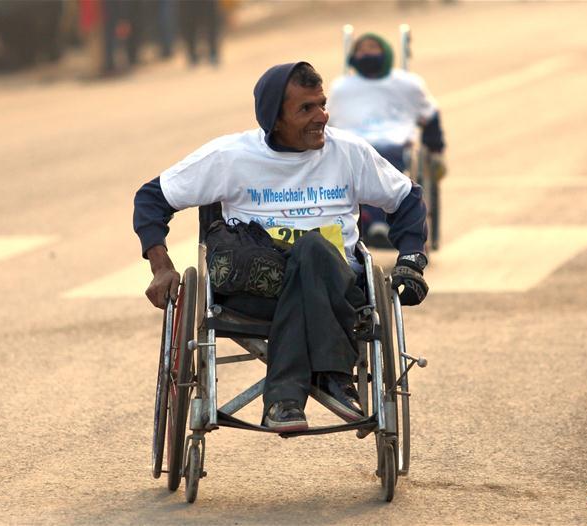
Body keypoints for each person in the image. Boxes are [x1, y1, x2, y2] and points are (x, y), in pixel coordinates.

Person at [133, 62, 430, 432]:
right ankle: (333, 375)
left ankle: (285, 400)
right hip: (256, 290)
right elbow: (151, 199)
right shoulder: (231, 156)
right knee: (311, 250)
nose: (321, 116)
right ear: (274, 120)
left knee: (314, 251)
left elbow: (407, 199)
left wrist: (411, 259)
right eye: (306, 109)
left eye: (322, 104)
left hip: (337, 289)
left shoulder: (348, 153)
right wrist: (161, 266)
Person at [328, 33, 446, 248]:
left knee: (378, 157)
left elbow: (430, 116)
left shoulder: (408, 84)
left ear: (386, 51)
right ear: (353, 56)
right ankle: (365, 221)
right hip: (352, 141)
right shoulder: (342, 88)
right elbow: (328, 121)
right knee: (354, 157)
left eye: (372, 47)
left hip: (394, 142)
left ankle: (376, 222)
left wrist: (436, 151)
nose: (366, 53)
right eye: (361, 49)